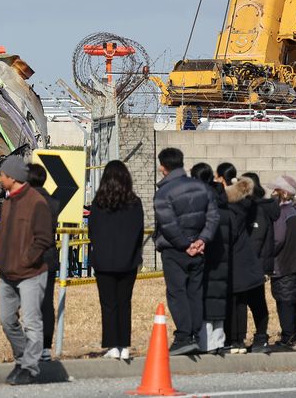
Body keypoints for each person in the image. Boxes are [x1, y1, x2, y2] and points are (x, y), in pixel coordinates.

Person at [0, 155, 54, 385]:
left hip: (31, 273)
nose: (0, 179)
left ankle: (30, 367)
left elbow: (43, 239)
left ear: (12, 177)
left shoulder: (37, 202)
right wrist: (0, 258)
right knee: (7, 319)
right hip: (7, 273)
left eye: (2, 175)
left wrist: (26, 260)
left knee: (31, 322)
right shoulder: (8, 202)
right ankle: (22, 358)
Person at [153, 148, 219, 356]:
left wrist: (184, 244)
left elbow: (167, 223)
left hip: (175, 249)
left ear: (163, 167)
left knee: (177, 292)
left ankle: (183, 337)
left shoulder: (163, 192)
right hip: (199, 249)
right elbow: (213, 216)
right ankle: (196, 336)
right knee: (195, 291)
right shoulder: (202, 188)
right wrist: (202, 239)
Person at [88, 160, 144, 360]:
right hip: (128, 261)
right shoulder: (135, 203)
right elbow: (139, 231)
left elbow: (92, 231)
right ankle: (124, 345)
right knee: (124, 303)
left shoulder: (98, 203)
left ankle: (112, 345)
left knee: (108, 304)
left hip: (103, 261)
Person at [215, 163, 268, 354]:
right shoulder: (245, 205)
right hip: (246, 261)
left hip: (233, 260)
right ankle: (238, 341)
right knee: (242, 302)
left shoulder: (226, 206)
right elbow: (246, 187)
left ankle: (233, 340)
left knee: (234, 301)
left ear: (222, 178)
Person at [190, 163, 230, 354]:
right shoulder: (224, 203)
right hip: (223, 257)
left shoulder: (199, 203)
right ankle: (218, 341)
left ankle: (205, 342)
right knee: (218, 299)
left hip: (203, 256)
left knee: (203, 299)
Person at [268, 175, 296, 349]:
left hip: (284, 264)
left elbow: (277, 240)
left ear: (284, 193)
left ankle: (287, 337)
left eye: (276, 190)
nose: (273, 193)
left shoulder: (282, 213)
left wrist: (266, 254)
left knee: (284, 300)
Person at [26, 163, 60, 362]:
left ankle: (32, 343)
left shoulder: (27, 201)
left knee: (30, 303)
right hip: (49, 257)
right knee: (47, 303)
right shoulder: (53, 201)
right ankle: (46, 347)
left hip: (30, 258)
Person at [242, 172, 280, 276]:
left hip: (253, 266)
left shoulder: (256, 209)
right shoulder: (260, 207)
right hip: (259, 264)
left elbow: (255, 240)